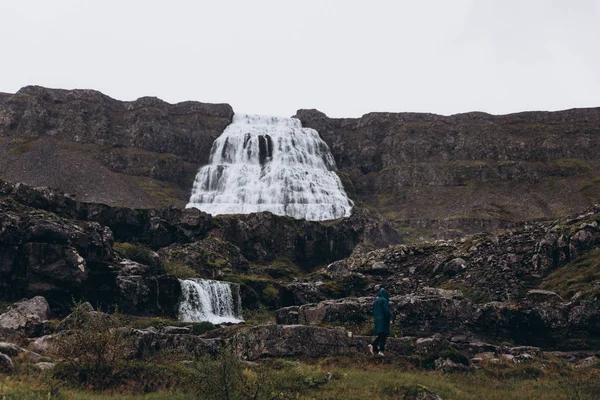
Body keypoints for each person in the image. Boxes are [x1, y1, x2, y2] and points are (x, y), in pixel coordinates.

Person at [368, 287, 391, 356]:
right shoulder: (384, 300)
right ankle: (380, 350)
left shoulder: (375, 301)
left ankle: (375, 347)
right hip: (383, 320)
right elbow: (386, 311)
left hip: (377, 320)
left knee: (380, 334)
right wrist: (389, 318)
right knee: (383, 334)